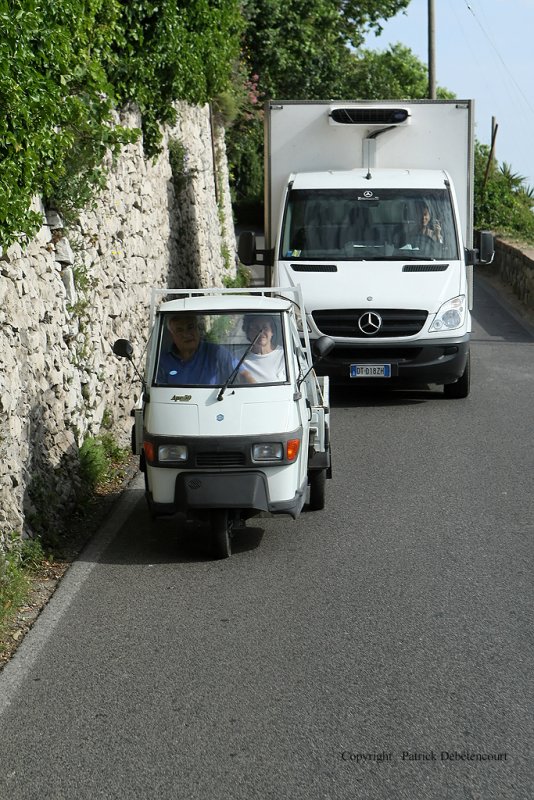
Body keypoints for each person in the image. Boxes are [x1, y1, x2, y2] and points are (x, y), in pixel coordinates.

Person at [157, 313, 244, 385]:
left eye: (190, 327)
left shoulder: (216, 353)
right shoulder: (162, 361)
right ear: (172, 335)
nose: (186, 334)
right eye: (180, 330)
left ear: (198, 328)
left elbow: (243, 374)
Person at [242, 314, 286, 383]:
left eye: (265, 328)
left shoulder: (285, 356)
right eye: (256, 328)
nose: (261, 332)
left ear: (272, 332)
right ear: (248, 332)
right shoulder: (237, 357)